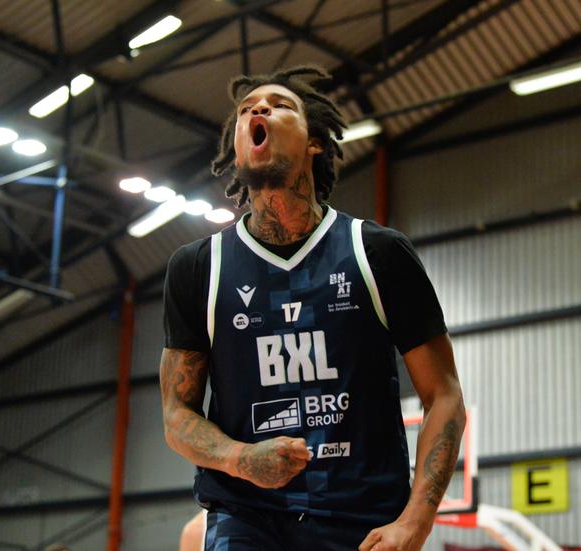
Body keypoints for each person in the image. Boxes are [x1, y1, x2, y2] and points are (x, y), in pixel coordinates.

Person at [160, 65, 466, 551]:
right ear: (236, 145)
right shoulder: (198, 268)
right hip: (248, 517)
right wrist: (242, 459)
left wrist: (416, 522)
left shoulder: (377, 252)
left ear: (314, 143)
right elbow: (177, 414)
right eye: (246, 109)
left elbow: (444, 397)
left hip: (363, 520)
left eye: (280, 105)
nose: (258, 109)